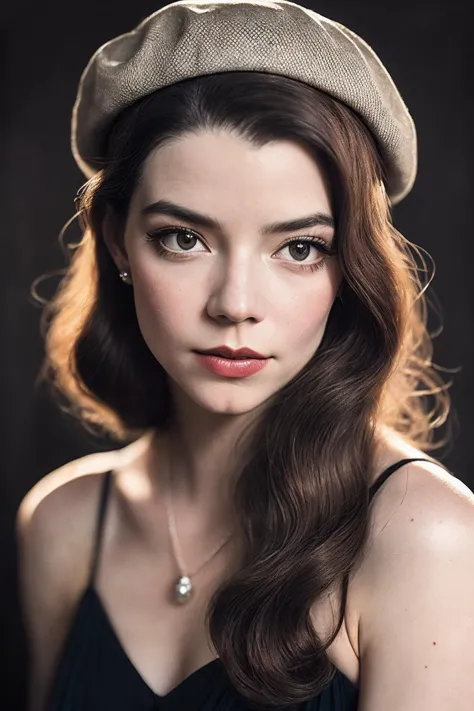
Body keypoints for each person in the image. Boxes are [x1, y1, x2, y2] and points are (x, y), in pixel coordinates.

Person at [16, 2, 474, 710]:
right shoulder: (63, 521)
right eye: (183, 237)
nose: (235, 303)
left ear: (347, 264)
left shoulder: (424, 535)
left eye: (299, 248)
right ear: (117, 241)